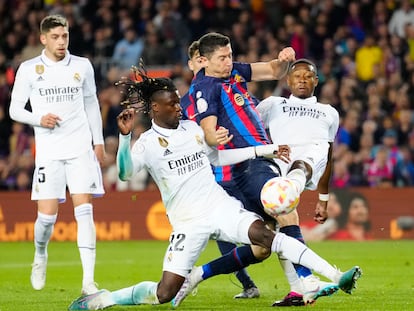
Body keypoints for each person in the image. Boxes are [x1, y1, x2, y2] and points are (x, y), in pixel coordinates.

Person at [67, 72, 361, 310]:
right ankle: (104, 299)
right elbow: (124, 173)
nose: (179, 107)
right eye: (172, 104)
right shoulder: (146, 144)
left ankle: (336, 275)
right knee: (163, 293)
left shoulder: (192, 129)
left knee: (267, 237)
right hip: (187, 222)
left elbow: (219, 158)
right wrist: (123, 138)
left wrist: (263, 151)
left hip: (219, 207)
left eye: (178, 102)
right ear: (156, 108)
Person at [179, 32, 336, 306]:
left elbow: (273, 70)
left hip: (255, 163)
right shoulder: (204, 89)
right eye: (223, 58)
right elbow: (207, 131)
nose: (229, 61)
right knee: (285, 207)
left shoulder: (233, 73)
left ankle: (198, 275)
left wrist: (284, 59)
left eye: (230, 55)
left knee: (262, 248)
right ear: (202, 61)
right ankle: (306, 282)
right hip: (244, 166)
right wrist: (213, 137)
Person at [9, 15, 105, 295]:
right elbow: (14, 110)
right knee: (47, 219)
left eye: (64, 36)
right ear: (43, 39)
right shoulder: (29, 69)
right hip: (49, 152)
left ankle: (89, 281)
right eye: (55, 37)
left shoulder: (82, 66)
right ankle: (40, 254)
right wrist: (39, 118)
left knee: (84, 212)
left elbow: (91, 105)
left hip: (79, 149)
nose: (61, 41)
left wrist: (97, 142)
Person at [256, 58, 340, 305]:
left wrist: (323, 199)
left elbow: (328, 155)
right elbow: (248, 127)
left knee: (282, 227)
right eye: (297, 75)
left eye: (308, 76)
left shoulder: (329, 112)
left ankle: (302, 285)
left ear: (316, 81)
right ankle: (299, 288)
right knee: (266, 242)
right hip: (272, 173)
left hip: (300, 175)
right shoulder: (273, 104)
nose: (302, 79)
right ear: (287, 80)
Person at [182, 40, 260, 299]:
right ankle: (247, 282)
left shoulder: (226, 87)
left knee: (259, 229)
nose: (199, 63)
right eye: (195, 59)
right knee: (220, 230)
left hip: (240, 167)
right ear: (192, 63)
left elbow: (250, 108)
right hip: (211, 175)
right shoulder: (183, 104)